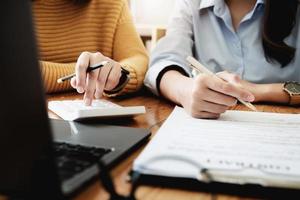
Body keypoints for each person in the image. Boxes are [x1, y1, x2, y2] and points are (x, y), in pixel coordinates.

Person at [144, 0, 300, 119]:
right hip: (216, 125)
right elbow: (163, 63)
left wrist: (260, 91)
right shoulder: (191, 4)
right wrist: (186, 89)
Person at [33, 0, 148, 105]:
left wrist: (119, 75)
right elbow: (18, 72)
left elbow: (138, 59)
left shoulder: (113, 4)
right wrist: (89, 72)